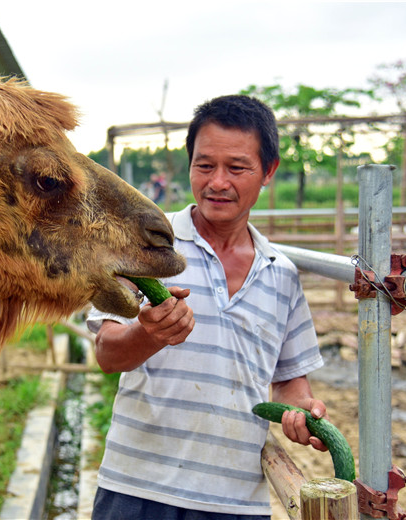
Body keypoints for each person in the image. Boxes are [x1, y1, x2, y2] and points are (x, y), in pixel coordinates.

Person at [87, 95, 328, 519]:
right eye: (204, 165)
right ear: (190, 164)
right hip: (137, 491)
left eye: (236, 168)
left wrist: (302, 412)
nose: (218, 182)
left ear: (268, 171)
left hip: (235, 503)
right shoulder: (145, 246)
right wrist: (147, 334)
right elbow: (108, 354)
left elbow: (290, 383)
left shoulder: (282, 274)